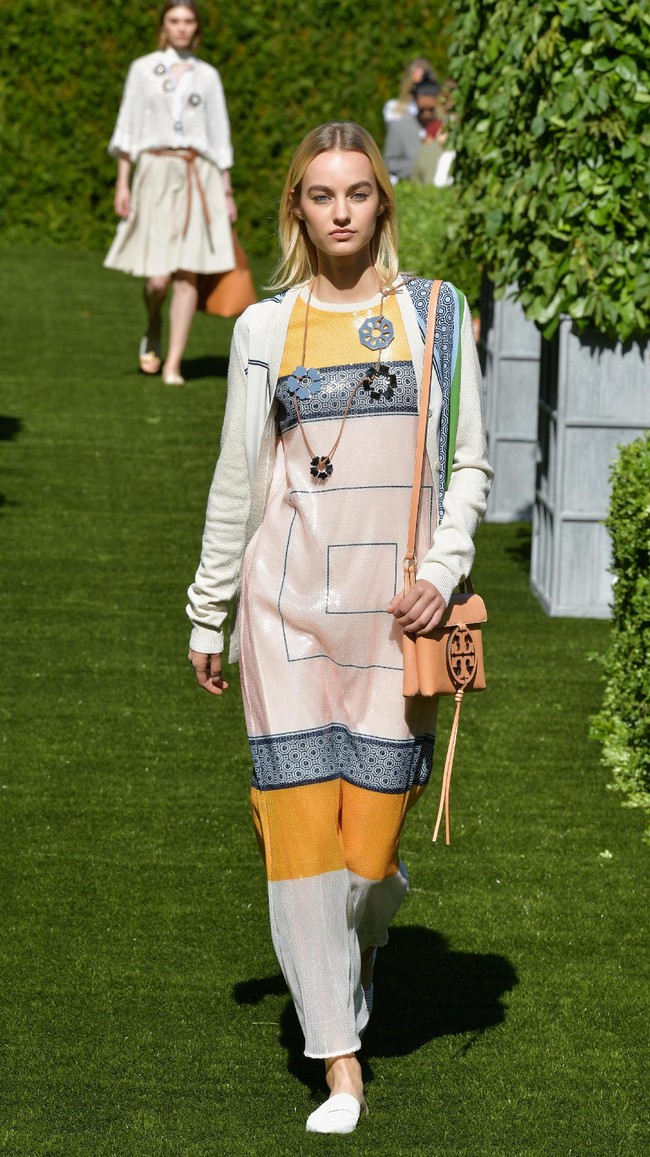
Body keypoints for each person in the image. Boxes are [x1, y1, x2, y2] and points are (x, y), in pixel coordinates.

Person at [186, 122, 492, 1135]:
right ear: (296, 211)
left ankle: (361, 931)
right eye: (320, 196)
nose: (341, 212)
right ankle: (339, 1058)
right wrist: (208, 603)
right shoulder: (265, 330)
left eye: (357, 193)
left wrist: (441, 572)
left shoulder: (432, 318)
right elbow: (242, 476)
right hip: (282, 621)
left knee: (366, 861)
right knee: (302, 849)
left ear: (382, 204)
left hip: (391, 627)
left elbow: (469, 469)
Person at [104, 1, 237, 385]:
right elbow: (127, 126)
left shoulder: (207, 75)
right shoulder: (143, 69)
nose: (181, 27)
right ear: (164, 25)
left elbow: (219, 132)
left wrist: (227, 191)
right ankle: (153, 321)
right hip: (155, 171)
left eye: (188, 21)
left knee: (186, 273)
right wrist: (122, 181)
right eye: (174, 20)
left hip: (200, 173)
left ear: (196, 27)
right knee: (157, 278)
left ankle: (174, 363)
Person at [383, 80, 442, 183]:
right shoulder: (399, 127)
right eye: (422, 109)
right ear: (415, 101)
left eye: (431, 109)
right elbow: (389, 163)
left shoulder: (445, 127)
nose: (427, 114)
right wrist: (421, 165)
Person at [382, 57, 438, 125]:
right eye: (415, 85)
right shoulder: (393, 108)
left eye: (423, 85)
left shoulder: (438, 113)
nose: (419, 90)